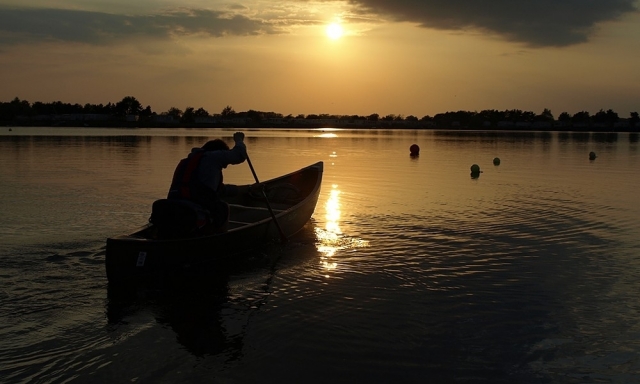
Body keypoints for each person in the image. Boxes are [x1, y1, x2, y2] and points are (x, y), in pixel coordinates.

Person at [167, 131, 247, 230]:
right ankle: (220, 236)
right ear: (219, 153)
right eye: (224, 163)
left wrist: (248, 189)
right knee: (223, 207)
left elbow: (218, 190)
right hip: (192, 213)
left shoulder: (188, 162)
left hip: (170, 209)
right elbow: (239, 155)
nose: (225, 166)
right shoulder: (212, 157)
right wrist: (239, 140)